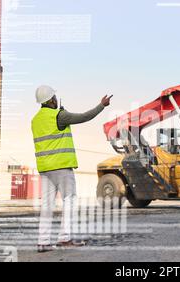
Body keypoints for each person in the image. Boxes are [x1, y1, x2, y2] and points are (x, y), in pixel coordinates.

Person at [31, 85, 112, 253]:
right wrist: (101, 106)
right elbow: (84, 117)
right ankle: (64, 238)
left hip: (45, 168)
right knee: (70, 200)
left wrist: (62, 114)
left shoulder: (36, 120)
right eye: (54, 97)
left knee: (47, 205)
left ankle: (43, 242)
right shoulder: (59, 115)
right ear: (51, 99)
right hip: (61, 167)